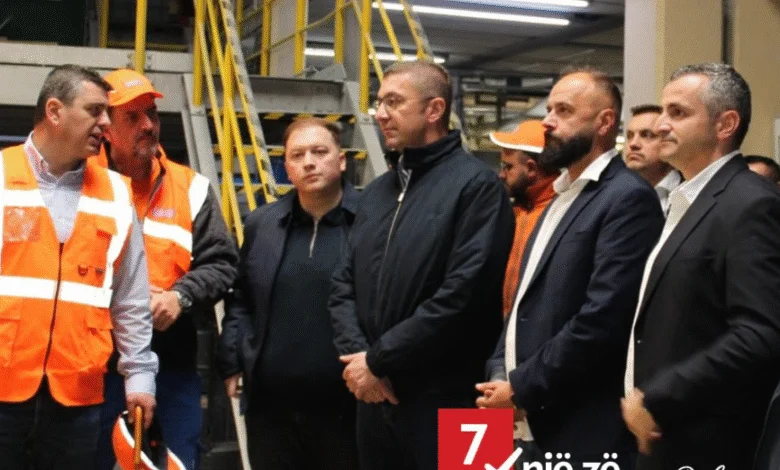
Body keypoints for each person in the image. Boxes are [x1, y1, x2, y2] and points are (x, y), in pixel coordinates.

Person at [329, 60, 514, 470]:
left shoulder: (479, 187)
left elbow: (463, 297)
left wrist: (377, 359)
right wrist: (360, 359)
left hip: (459, 397)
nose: (380, 113)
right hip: (376, 395)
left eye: (394, 102)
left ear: (434, 110)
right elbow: (343, 282)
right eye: (379, 102)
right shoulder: (377, 192)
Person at [477, 68, 664, 464]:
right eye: (549, 109)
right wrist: (499, 373)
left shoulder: (627, 198)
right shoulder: (559, 197)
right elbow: (522, 302)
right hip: (523, 416)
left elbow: (603, 318)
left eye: (563, 111)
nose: (547, 121)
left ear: (604, 122)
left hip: (579, 423)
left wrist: (522, 387)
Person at [622, 63, 780, 470]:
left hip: (707, 440)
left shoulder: (750, 203)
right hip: (663, 436)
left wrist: (659, 397)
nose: (660, 125)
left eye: (677, 113)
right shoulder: (686, 199)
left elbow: (760, 333)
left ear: (725, 124)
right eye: (663, 110)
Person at [0, 64, 158, 469]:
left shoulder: (116, 195)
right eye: (94, 110)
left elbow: (131, 298)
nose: (105, 123)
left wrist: (140, 375)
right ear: (54, 111)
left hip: (77, 397)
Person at [94, 68, 237, 470]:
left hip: (170, 365)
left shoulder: (191, 188)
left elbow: (223, 262)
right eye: (132, 116)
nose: (148, 125)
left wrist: (180, 296)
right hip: (95, 365)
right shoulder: (84, 183)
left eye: (152, 114)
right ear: (107, 129)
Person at [216, 118, 360, 470]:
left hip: (348, 409)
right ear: (287, 166)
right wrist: (233, 360)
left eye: (320, 152)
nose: (309, 162)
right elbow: (242, 299)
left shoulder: (371, 221)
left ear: (341, 160)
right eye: (297, 155)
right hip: (271, 412)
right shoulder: (263, 224)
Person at [489, 120, 558, 318]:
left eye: (508, 167)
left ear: (531, 169)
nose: (501, 175)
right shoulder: (516, 210)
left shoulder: (559, 213)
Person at [624, 104, 682, 213]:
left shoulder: (690, 191)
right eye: (630, 136)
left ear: (668, 141)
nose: (633, 144)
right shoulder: (617, 192)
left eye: (647, 135)